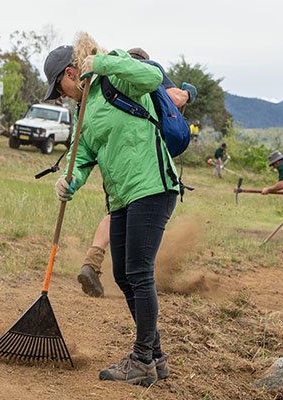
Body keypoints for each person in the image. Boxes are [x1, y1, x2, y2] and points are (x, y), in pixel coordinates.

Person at [45, 33, 176, 386]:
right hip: (120, 198)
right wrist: (68, 182)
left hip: (152, 187)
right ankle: (157, 357)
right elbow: (81, 158)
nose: (61, 96)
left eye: (59, 88)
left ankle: (142, 360)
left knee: (139, 272)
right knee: (123, 276)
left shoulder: (115, 78)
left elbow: (153, 77)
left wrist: (102, 62)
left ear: (72, 73)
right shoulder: (84, 113)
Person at [76, 47, 197, 299]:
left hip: (123, 162)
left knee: (114, 211)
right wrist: (187, 93)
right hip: (148, 167)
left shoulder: (126, 80)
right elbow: (177, 98)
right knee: (134, 220)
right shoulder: (155, 80)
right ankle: (131, 276)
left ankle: (93, 259)